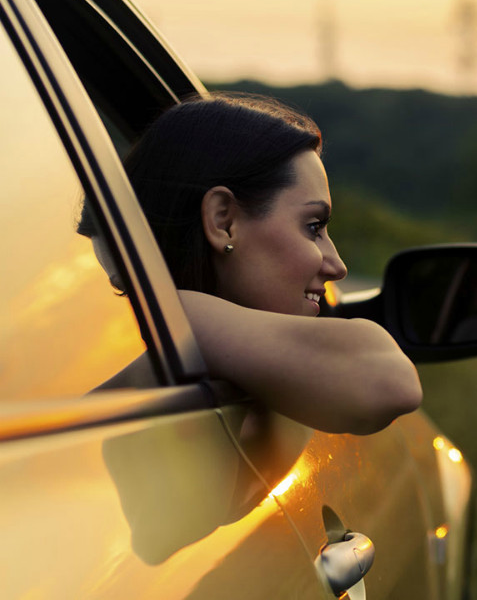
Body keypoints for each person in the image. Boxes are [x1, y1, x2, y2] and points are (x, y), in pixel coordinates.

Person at [87, 93, 421, 435]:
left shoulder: (134, 344)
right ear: (223, 221)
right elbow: (388, 384)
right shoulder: (172, 330)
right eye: (313, 227)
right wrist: (186, 316)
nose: (337, 266)